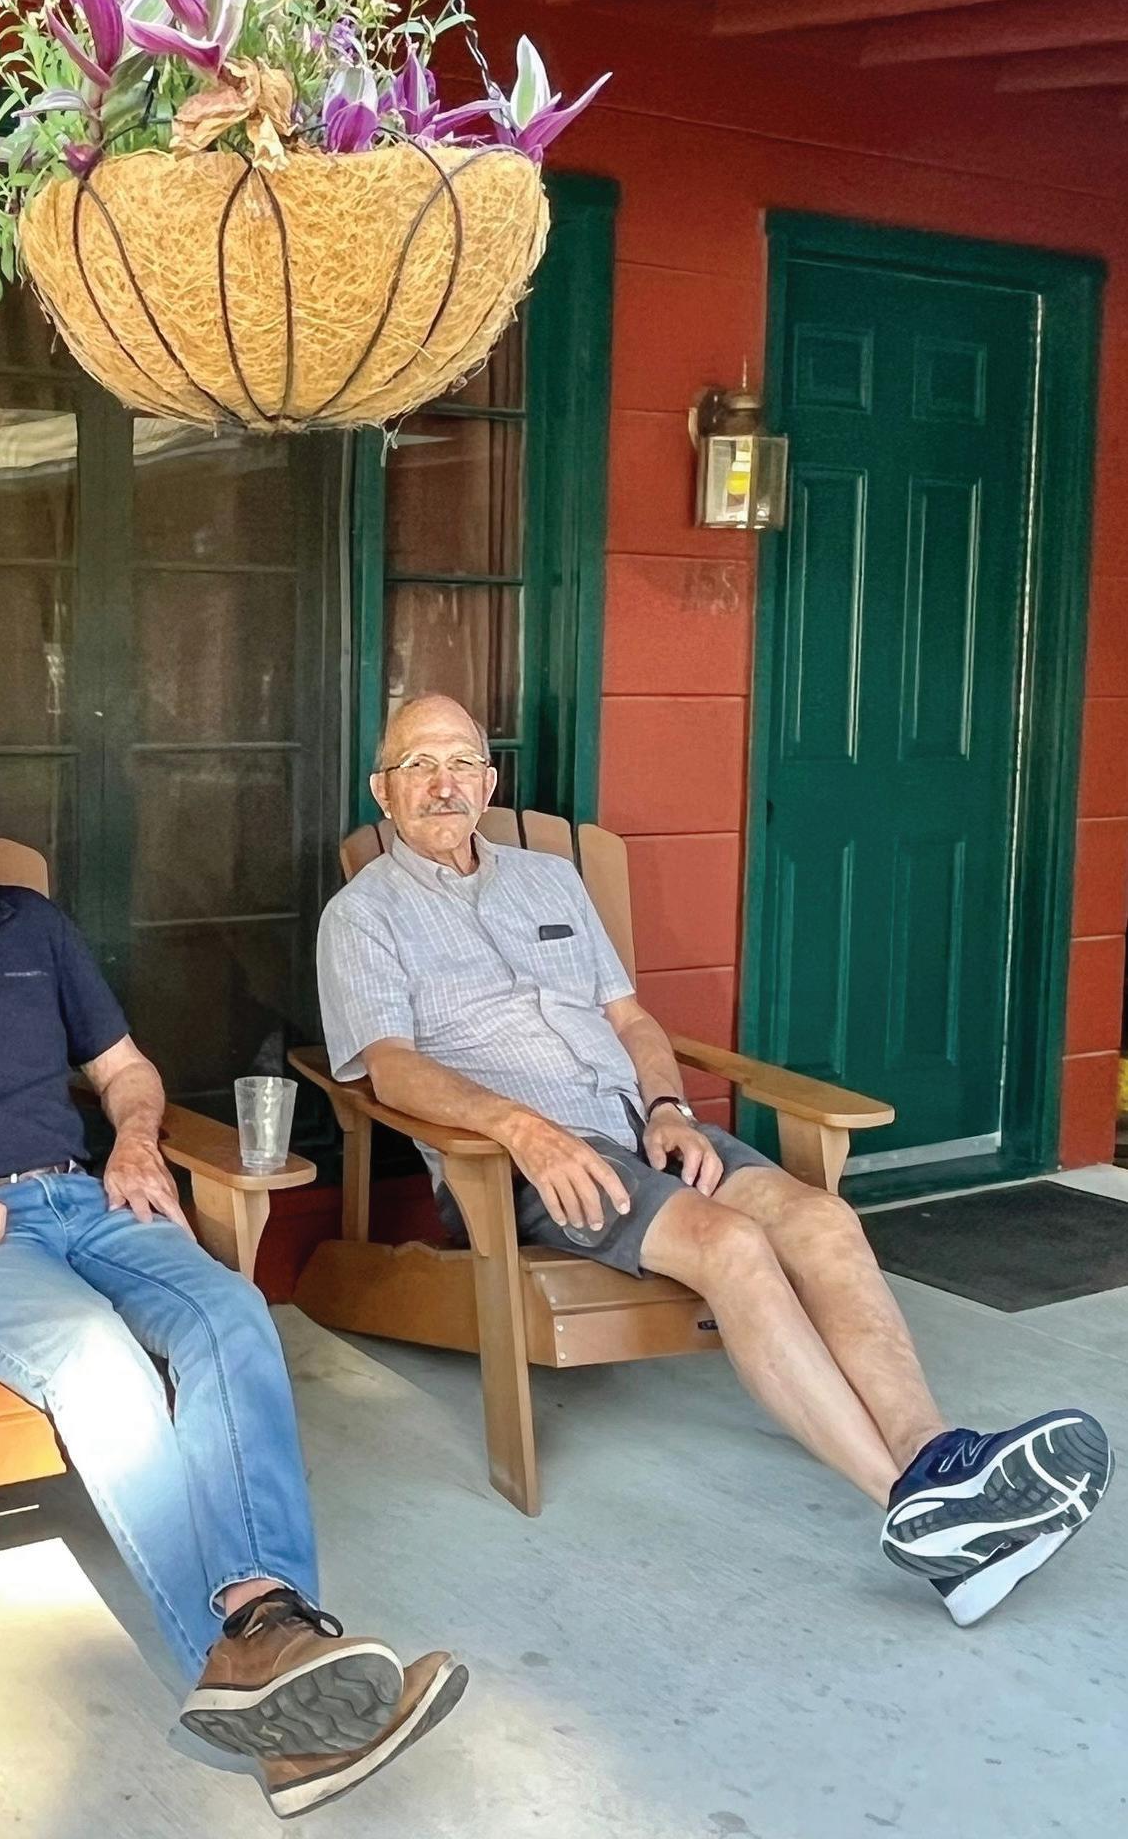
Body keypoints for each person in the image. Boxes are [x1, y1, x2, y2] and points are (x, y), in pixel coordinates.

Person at [0, 739, 465, 1819]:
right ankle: (251, 1655)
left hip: (88, 1200)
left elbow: (125, 1070)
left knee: (231, 1313)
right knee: (98, 1356)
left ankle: (273, 1639)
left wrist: (139, 1142)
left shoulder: (36, 927)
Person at [316, 693, 1111, 1627]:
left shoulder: (550, 881)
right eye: (417, 765)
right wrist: (524, 1131)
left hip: (639, 1125)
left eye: (461, 763)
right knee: (732, 1247)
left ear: (490, 783)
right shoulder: (362, 916)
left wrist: (668, 1106)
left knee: (822, 1219)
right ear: (382, 790)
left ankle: (936, 1459)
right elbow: (393, 1067)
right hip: (532, 1160)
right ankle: (910, 1504)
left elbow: (630, 1021)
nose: (443, 784)